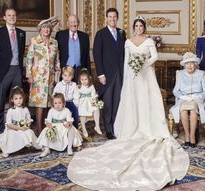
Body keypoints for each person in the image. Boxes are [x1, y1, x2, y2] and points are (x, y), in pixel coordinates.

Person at [67, 16, 189, 190]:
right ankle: (132, 127)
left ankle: (148, 127)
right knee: (133, 103)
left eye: (141, 26)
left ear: (144, 27)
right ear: (134, 27)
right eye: (136, 26)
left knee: (147, 102)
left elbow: (154, 57)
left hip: (146, 76)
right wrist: (129, 75)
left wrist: (143, 63)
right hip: (132, 77)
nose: (139, 28)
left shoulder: (148, 41)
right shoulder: (128, 41)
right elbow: (125, 60)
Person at [0, 8, 26, 137]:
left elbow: (21, 54)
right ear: (4, 17)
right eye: (9, 15)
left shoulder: (22, 33)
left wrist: (20, 70)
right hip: (3, 71)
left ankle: (15, 130)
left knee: (16, 102)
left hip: (17, 70)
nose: (12, 17)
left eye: (14, 15)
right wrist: (0, 68)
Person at [93, 8, 126, 139]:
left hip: (120, 72)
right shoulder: (100, 34)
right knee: (107, 103)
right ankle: (109, 130)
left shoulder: (122, 33)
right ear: (106, 18)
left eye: (114, 17)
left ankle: (116, 127)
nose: (112, 19)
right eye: (110, 17)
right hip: (106, 74)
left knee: (117, 101)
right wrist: (100, 74)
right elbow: (97, 55)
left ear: (117, 18)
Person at [26, 17, 60, 135]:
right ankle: (39, 129)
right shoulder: (34, 41)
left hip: (50, 78)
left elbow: (57, 61)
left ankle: (47, 127)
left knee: (49, 103)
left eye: (48, 28)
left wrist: (57, 76)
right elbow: (29, 59)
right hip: (38, 78)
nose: (46, 30)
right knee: (39, 104)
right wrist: (29, 75)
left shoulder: (54, 42)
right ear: (40, 29)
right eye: (44, 27)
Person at [171, 52, 205, 148]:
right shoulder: (180, 74)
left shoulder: (201, 74)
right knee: (183, 110)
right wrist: (183, 97)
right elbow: (175, 91)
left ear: (195, 64)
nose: (190, 66)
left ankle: (192, 135)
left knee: (193, 109)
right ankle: (187, 135)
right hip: (184, 98)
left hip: (197, 99)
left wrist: (198, 97)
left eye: (192, 63)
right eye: (187, 63)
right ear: (184, 65)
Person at [0, 86, 40, 158]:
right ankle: (8, 150)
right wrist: (19, 128)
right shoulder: (11, 111)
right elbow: (9, 124)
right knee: (12, 136)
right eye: (16, 99)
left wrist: (27, 126)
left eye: (20, 98)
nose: (18, 101)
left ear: (23, 98)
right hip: (13, 128)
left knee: (30, 132)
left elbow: (29, 120)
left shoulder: (25, 109)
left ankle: (38, 146)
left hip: (23, 127)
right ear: (12, 100)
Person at [55, 15, 90, 81]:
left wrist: (88, 73)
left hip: (80, 69)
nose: (73, 24)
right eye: (71, 22)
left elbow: (87, 56)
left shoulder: (84, 36)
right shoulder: (60, 35)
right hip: (65, 70)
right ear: (67, 23)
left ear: (78, 23)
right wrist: (59, 68)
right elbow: (56, 53)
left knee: (79, 90)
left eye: (75, 22)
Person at [75, 69, 102, 137]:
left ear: (89, 79)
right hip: (82, 103)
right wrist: (77, 105)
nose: (84, 81)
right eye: (82, 79)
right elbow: (76, 97)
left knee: (96, 109)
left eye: (85, 79)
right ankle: (84, 128)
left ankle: (97, 126)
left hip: (90, 102)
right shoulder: (78, 87)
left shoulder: (91, 86)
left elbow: (94, 95)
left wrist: (94, 102)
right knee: (82, 112)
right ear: (80, 80)